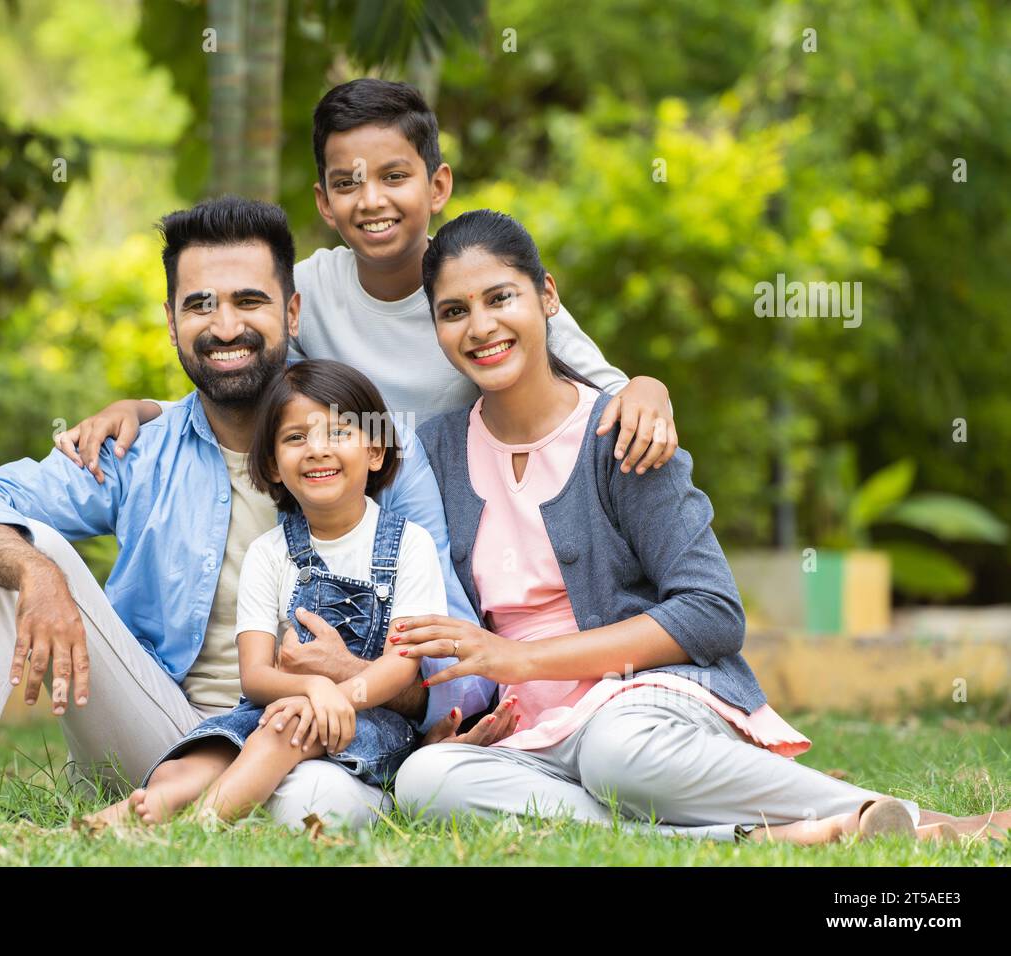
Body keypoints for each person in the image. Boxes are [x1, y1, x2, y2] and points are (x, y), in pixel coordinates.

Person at [0, 196, 507, 831]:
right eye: (201, 305)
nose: (225, 326)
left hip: (315, 729)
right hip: (156, 727)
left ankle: (210, 813)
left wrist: (356, 678)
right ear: (171, 322)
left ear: (291, 310)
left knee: (322, 804)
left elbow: (455, 664)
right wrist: (37, 576)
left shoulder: (369, 446)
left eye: (249, 301)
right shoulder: (135, 449)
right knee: (17, 546)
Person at [391, 209, 1009, 844]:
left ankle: (906, 815)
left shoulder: (623, 431)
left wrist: (521, 659)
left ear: (547, 295)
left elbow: (713, 610)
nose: (481, 326)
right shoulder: (436, 452)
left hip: (644, 703)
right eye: (454, 311)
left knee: (616, 753)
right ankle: (770, 837)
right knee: (426, 779)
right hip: (533, 734)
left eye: (501, 297)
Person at [57, 79, 679, 482]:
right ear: (325, 203)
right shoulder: (305, 294)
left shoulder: (479, 291)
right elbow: (240, 399)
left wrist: (650, 386)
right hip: (348, 523)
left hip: (472, 514)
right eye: (348, 183)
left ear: (437, 186)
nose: (371, 200)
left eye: (393, 176)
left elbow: (608, 392)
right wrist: (139, 409)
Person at [86, 360, 446, 826]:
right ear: (274, 466)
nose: (316, 450)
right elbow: (255, 675)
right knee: (201, 756)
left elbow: (402, 663)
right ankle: (136, 811)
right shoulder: (270, 552)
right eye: (296, 438)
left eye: (338, 433)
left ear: (375, 452)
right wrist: (313, 686)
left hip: (372, 721)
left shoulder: (409, 544)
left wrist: (345, 694)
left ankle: (201, 827)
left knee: (287, 726)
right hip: (275, 706)